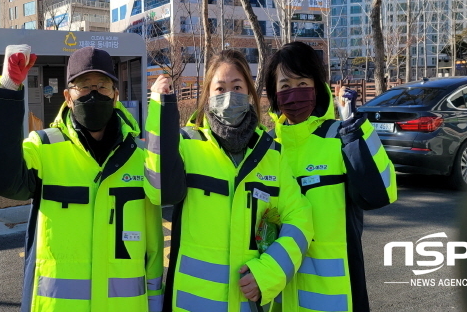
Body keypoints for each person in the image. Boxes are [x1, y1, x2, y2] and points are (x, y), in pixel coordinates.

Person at [0, 45, 164, 312]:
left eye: (102, 86)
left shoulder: (142, 157)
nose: (94, 93)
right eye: (84, 86)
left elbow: (155, 248)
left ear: (115, 96)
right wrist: (8, 90)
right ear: (67, 96)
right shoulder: (44, 149)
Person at [145, 50, 313, 312]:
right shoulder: (187, 146)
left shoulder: (271, 155)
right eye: (220, 88)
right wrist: (159, 108)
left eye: (236, 87)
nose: (228, 96)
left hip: (248, 304)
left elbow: (300, 218)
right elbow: (160, 191)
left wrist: (268, 272)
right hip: (191, 304)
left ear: (249, 94)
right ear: (208, 96)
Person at [264, 41, 397, 311]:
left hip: (336, 298)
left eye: (303, 84)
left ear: (317, 86)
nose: (294, 93)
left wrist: (354, 130)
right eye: (285, 86)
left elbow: (381, 192)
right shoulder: (265, 148)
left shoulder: (340, 135)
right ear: (274, 93)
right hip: (276, 295)